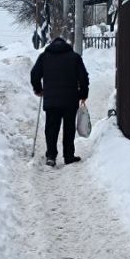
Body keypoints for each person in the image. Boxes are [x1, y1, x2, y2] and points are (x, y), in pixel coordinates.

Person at [30, 36, 90, 168]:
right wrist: (83, 94)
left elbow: (34, 74)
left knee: (51, 128)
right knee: (69, 128)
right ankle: (68, 156)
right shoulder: (74, 57)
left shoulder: (44, 57)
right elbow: (83, 77)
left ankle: (51, 156)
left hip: (51, 100)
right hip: (70, 100)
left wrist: (38, 89)